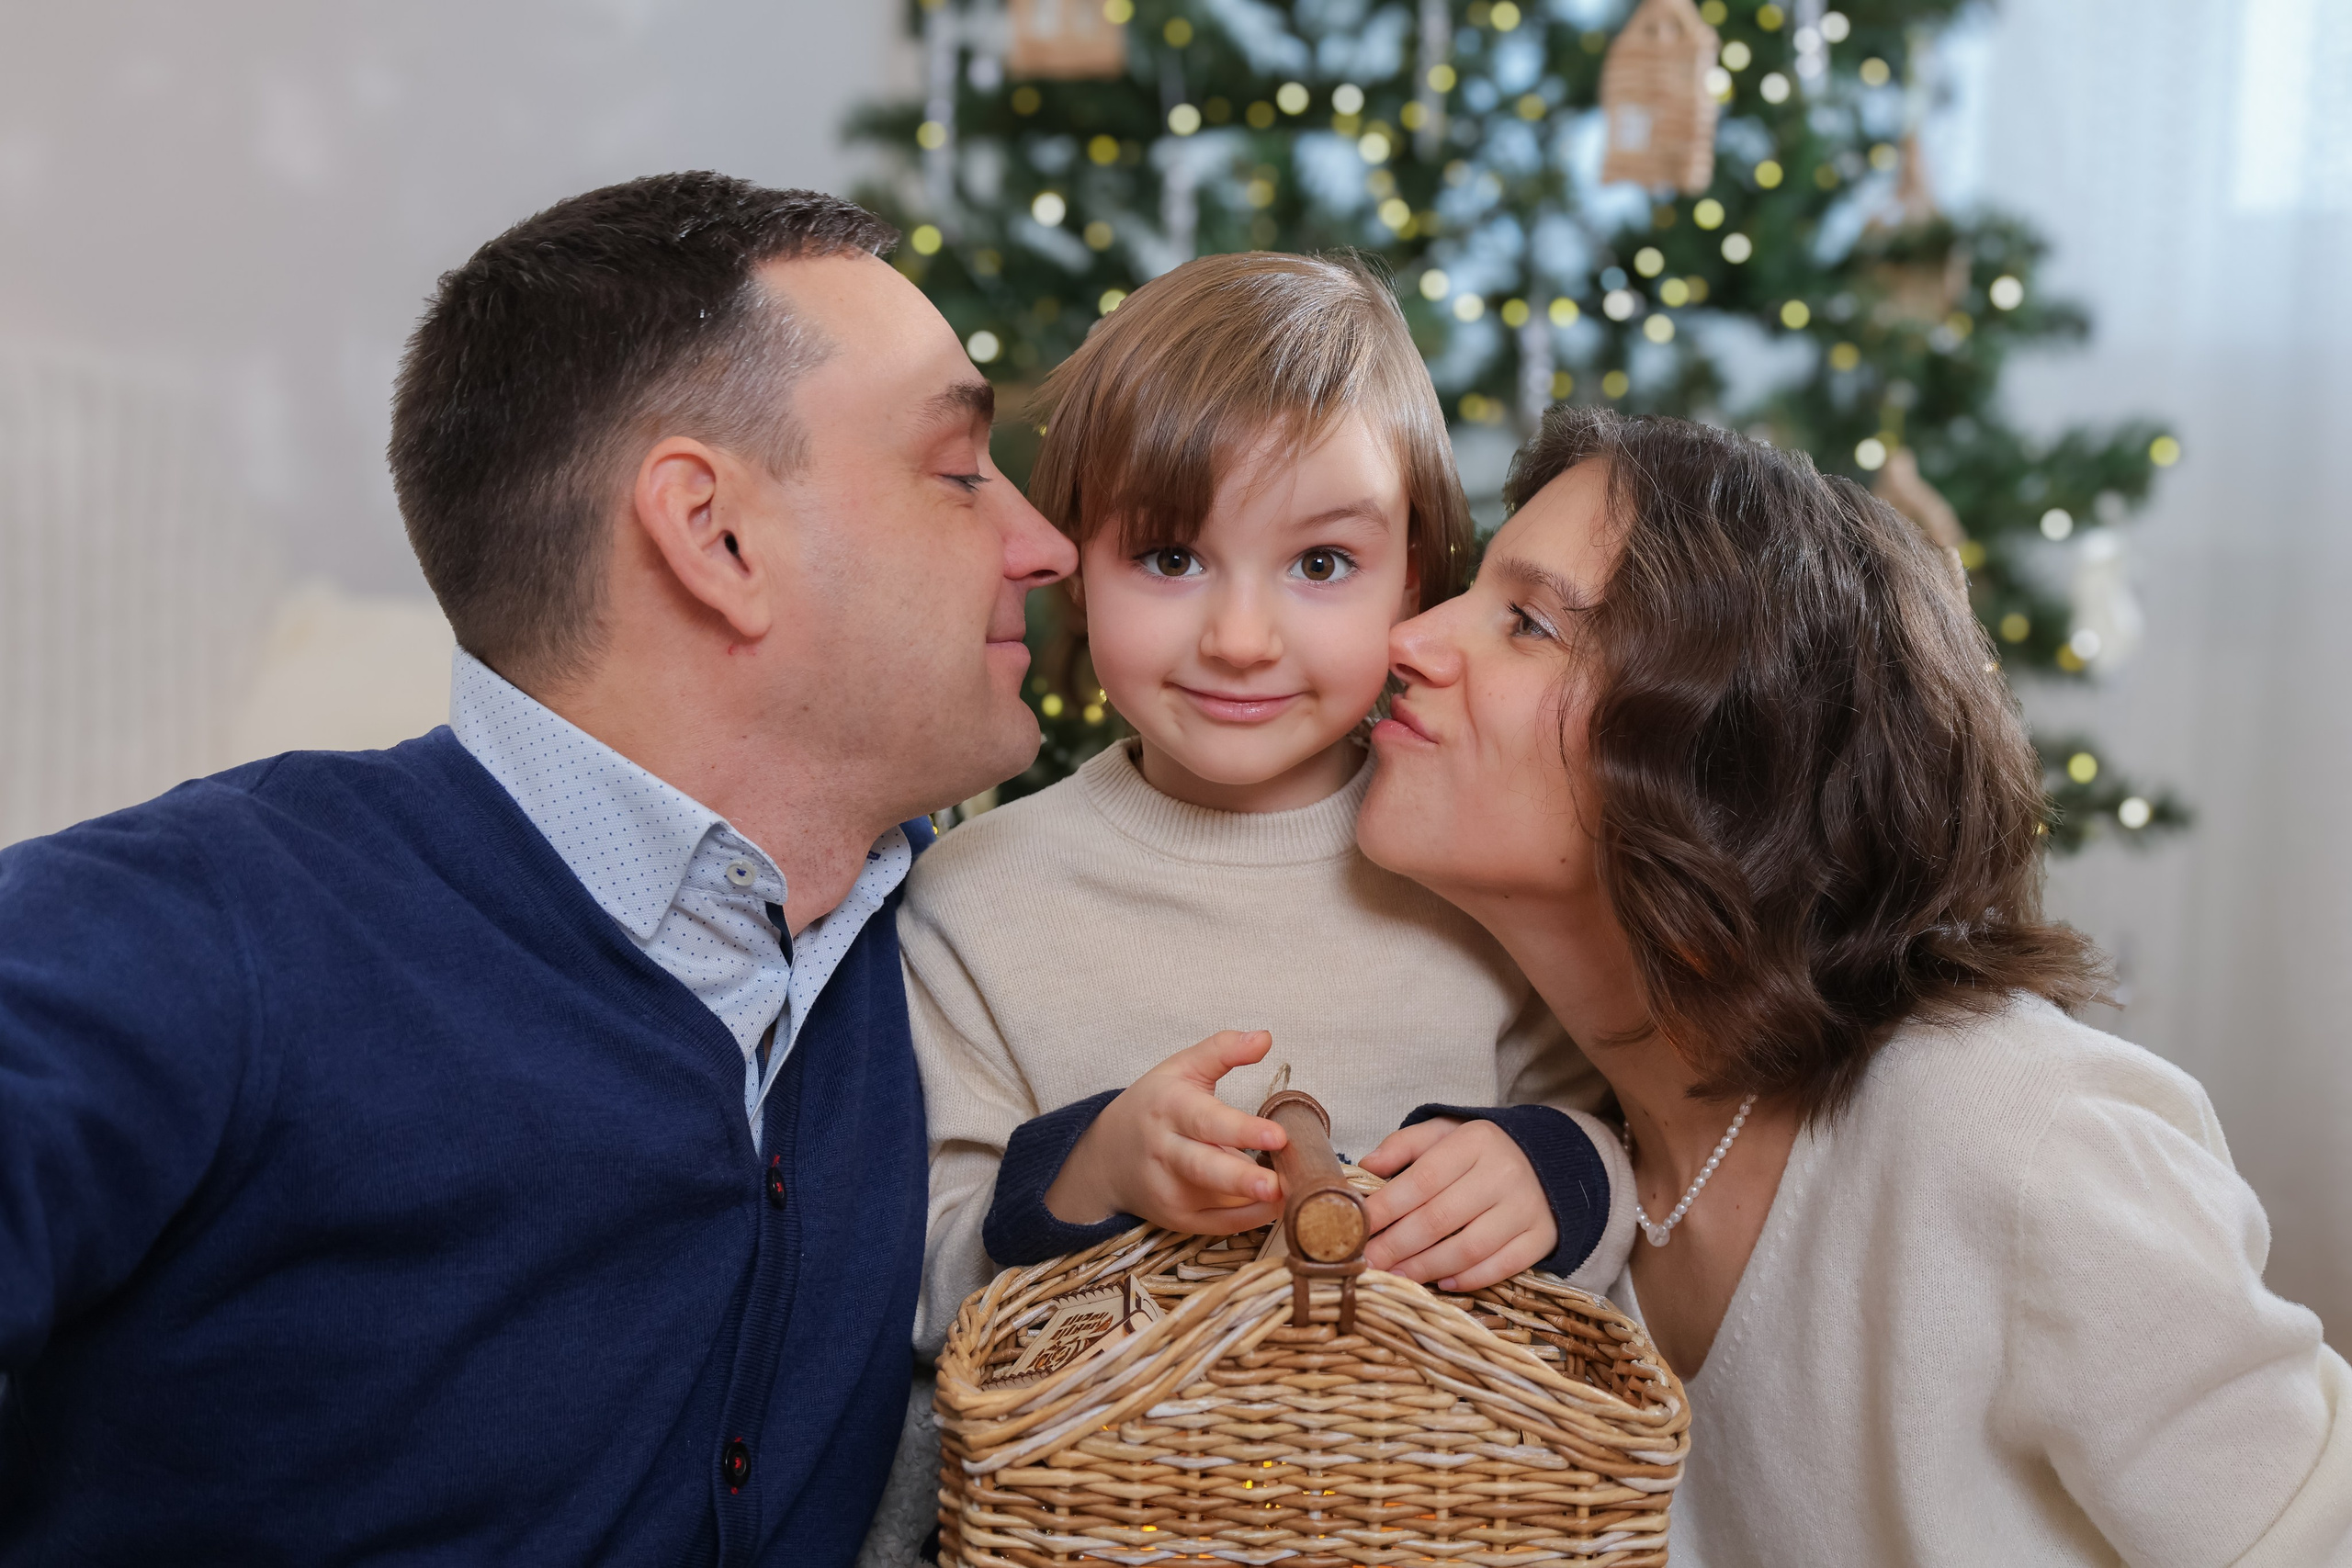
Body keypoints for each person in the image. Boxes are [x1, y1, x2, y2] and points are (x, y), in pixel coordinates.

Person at [0, 174, 1076, 1564]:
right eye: (958, 470)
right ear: (715, 535)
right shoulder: (203, 927)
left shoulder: (955, 953)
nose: (1045, 545)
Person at [1355, 405, 2352, 1565]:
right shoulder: (1555, 1173)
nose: (1409, 636)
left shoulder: (2016, 1134)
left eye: (1525, 622)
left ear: (1721, 766)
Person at [863, 253, 1633, 1562]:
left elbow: (1621, 1155)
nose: (1238, 637)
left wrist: (1549, 1173)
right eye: (1170, 555)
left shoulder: (1464, 865)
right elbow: (925, 1292)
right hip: (1101, 1519)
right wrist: (1096, 1166)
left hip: (1437, 1508)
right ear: (1074, 555)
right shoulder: (972, 903)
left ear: (1417, 580)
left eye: (1321, 562)